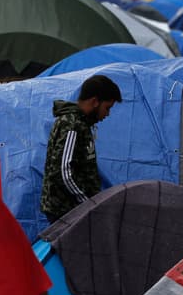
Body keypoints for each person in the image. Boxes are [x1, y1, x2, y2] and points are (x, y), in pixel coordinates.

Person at [40, 74, 123, 225]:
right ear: (95, 102)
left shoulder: (82, 125)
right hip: (66, 211)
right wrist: (88, 204)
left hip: (74, 209)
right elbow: (64, 172)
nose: (107, 114)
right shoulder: (72, 125)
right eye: (107, 108)